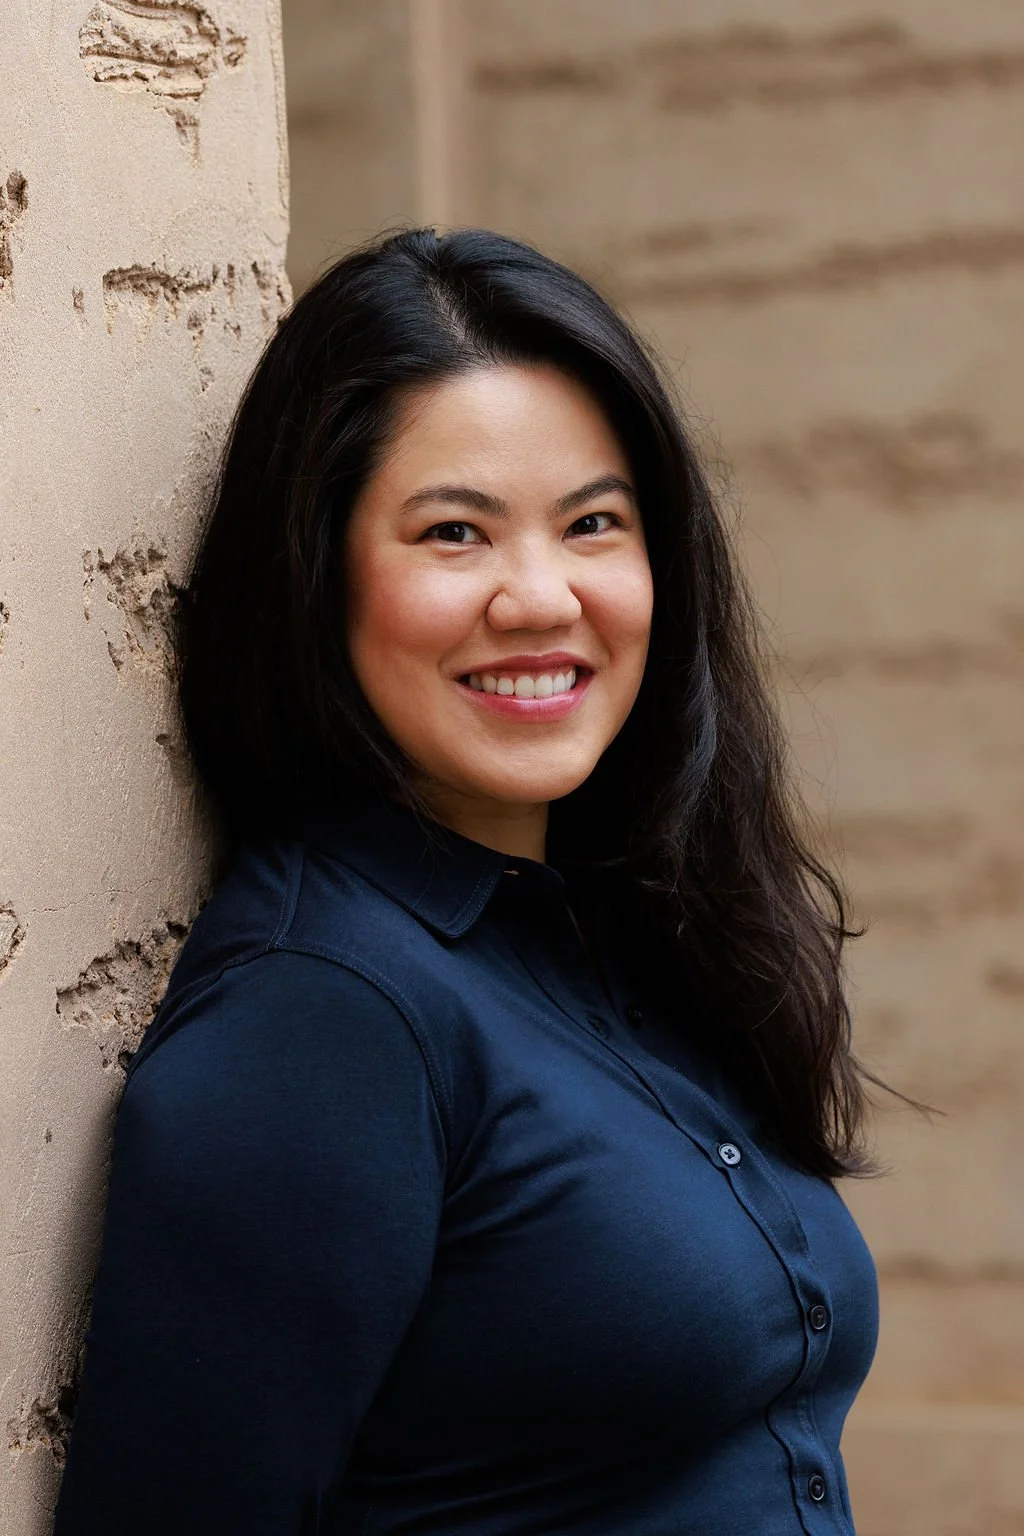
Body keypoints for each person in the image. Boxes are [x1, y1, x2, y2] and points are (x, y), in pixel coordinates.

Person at [53, 227, 881, 1535]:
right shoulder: (321, 1018)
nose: (542, 596)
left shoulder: (617, 929)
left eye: (594, 524)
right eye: (456, 533)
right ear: (317, 577)